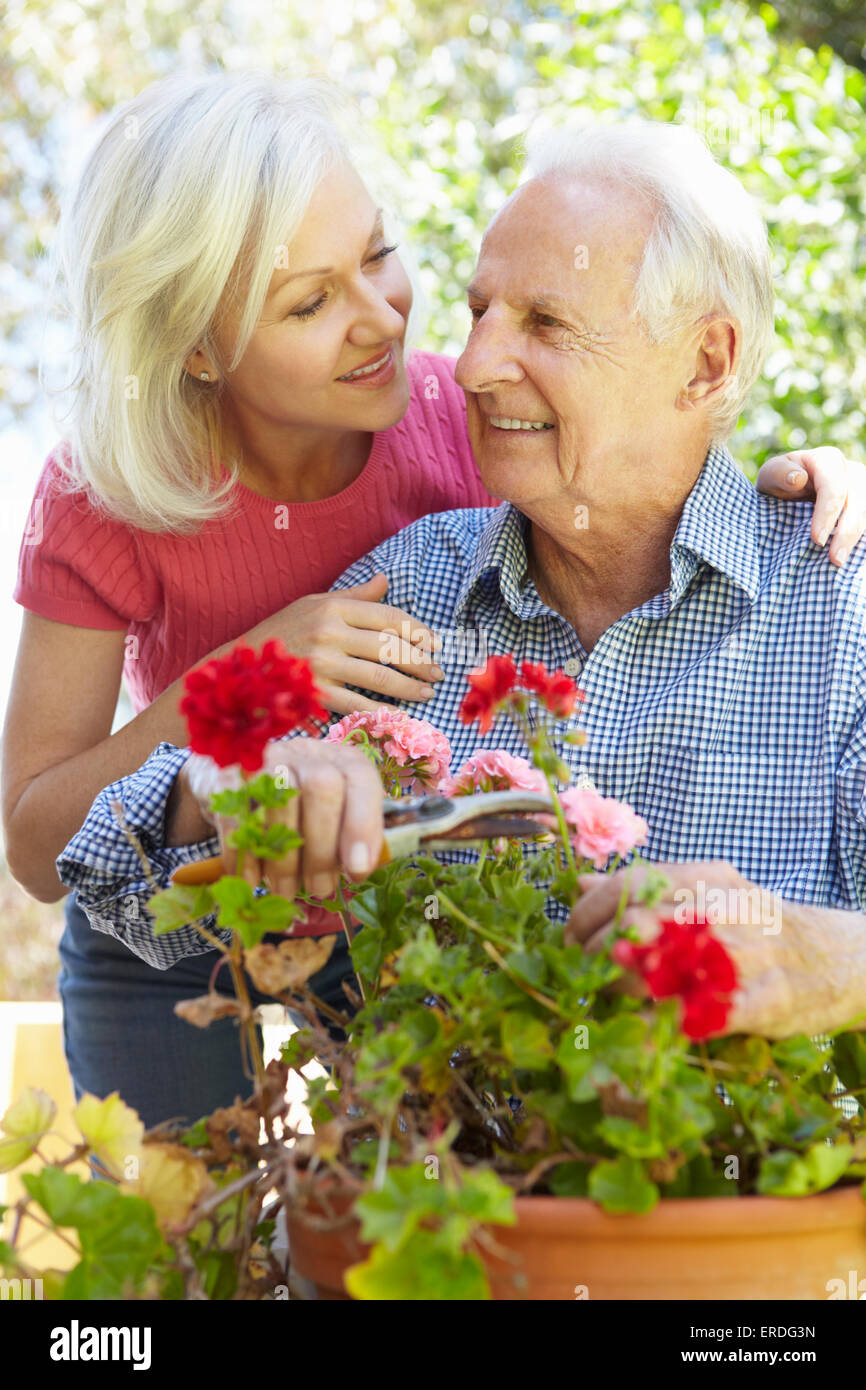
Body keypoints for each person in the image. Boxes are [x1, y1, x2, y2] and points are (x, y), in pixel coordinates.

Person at [8, 82, 861, 1123]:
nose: (464, 364)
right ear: (201, 348)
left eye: (544, 321)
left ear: (707, 359)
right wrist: (237, 762)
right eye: (477, 313)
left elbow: (662, 453)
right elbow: (83, 860)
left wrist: (832, 956)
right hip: (421, 1191)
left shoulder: (832, 599)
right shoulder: (392, 581)